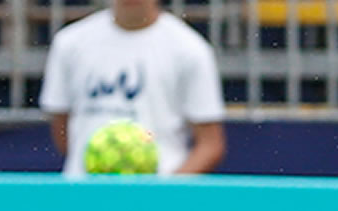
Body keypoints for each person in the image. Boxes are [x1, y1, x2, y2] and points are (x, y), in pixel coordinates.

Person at [40, 0, 227, 175]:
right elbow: (61, 126)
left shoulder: (190, 49)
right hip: (83, 193)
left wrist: (163, 192)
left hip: (157, 200)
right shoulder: (69, 42)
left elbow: (210, 144)